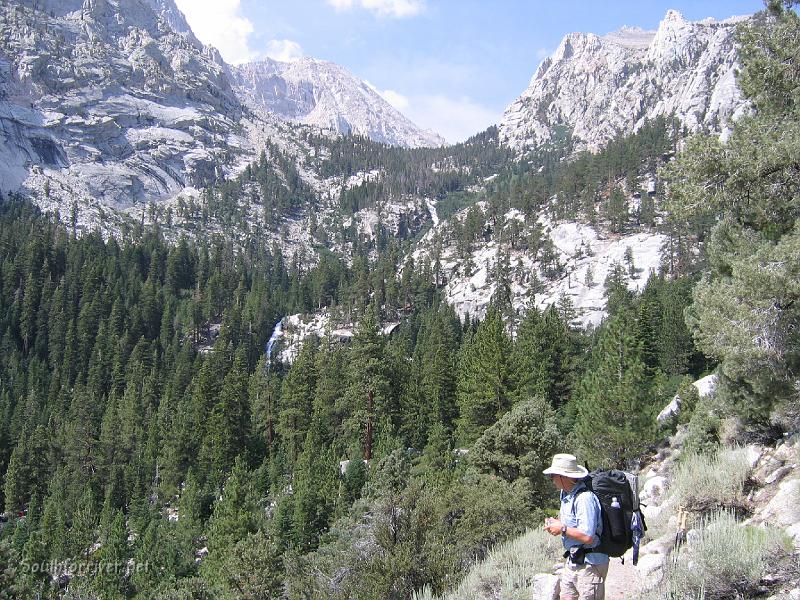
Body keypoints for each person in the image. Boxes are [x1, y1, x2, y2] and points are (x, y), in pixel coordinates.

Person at [542, 453, 609, 600]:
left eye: (553, 475)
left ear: (563, 476)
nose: (552, 480)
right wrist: (556, 523)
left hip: (590, 565)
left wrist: (562, 529)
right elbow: (571, 521)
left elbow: (587, 536)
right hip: (574, 560)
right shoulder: (567, 495)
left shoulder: (584, 499)